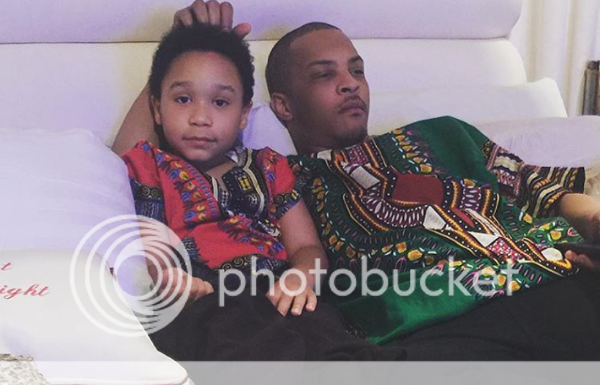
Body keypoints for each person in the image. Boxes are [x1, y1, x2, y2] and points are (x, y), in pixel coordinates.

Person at [115, 1, 600, 360]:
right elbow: (127, 163)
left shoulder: (445, 134)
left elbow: (545, 190)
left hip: (560, 271)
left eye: (357, 70)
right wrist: (181, 47)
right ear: (282, 106)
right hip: (444, 324)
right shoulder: (297, 178)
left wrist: (594, 218)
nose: (350, 83)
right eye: (324, 74)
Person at [118, 20, 405, 361]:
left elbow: (307, 247)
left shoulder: (269, 167)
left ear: (244, 115)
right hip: (201, 293)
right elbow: (149, 238)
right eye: (183, 99)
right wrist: (168, 276)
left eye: (220, 102)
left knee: (327, 331)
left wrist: (301, 277)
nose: (200, 117)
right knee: (225, 333)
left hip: (277, 289)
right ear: (157, 108)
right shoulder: (150, 164)